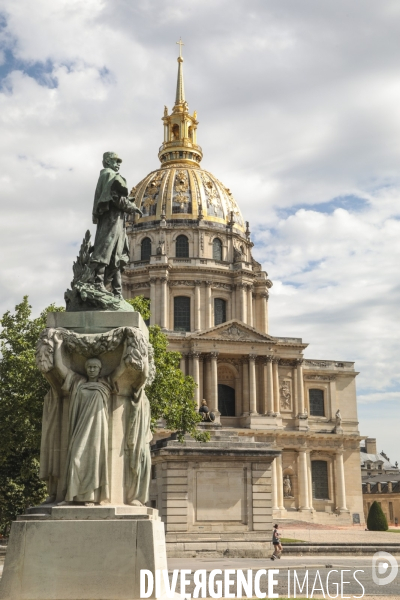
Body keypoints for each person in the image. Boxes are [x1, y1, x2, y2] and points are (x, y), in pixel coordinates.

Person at [90, 151, 143, 298]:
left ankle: (116, 291)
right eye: (115, 161)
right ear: (107, 162)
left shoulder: (108, 175)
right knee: (106, 249)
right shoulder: (108, 175)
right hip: (112, 220)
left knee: (116, 255)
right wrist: (133, 208)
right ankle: (98, 282)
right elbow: (115, 198)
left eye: (119, 161)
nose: (118, 164)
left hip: (116, 220)